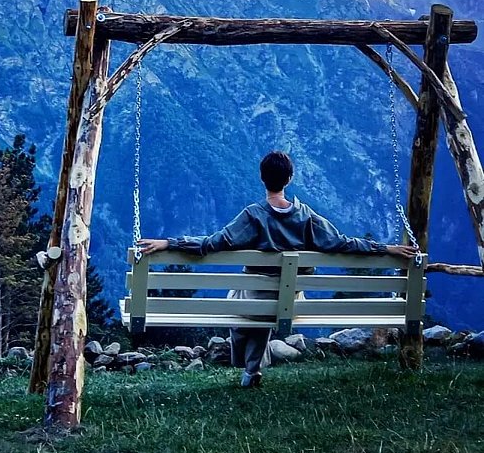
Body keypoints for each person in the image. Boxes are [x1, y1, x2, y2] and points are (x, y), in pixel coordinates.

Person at [137, 151, 417, 388]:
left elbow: (214, 242)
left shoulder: (253, 215)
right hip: (293, 301)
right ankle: (252, 369)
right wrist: (386, 249)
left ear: (262, 178)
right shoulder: (307, 216)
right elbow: (341, 243)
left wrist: (168, 243)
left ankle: (249, 368)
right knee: (258, 300)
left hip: (257, 299)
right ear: (290, 179)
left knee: (240, 299)